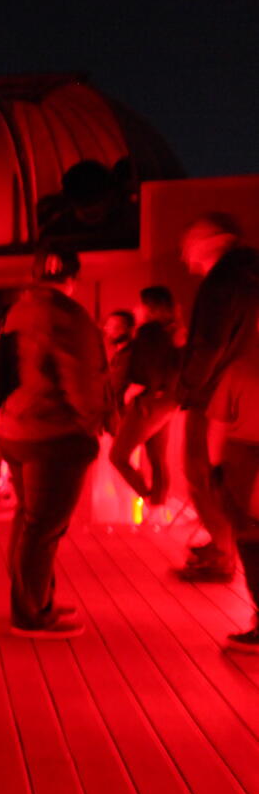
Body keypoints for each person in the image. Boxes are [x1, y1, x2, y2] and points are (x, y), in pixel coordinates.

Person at [0, 247, 109, 638]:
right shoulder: (71, 317)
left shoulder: (18, 309)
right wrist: (91, 427)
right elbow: (83, 380)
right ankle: (30, 614)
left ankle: (34, 599)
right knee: (43, 528)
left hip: (13, 428)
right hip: (54, 434)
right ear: (72, 278)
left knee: (29, 519)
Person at [177, 214, 259, 647]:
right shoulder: (250, 277)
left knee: (209, 476)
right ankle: (224, 550)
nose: (185, 251)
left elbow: (208, 343)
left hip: (223, 398)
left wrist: (189, 388)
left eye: (190, 240)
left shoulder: (222, 283)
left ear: (214, 242)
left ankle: (223, 553)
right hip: (249, 397)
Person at [108, 296, 181, 506]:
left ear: (150, 309)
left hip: (148, 402)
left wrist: (136, 389)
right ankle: (158, 504)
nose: (136, 309)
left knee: (118, 456)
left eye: (140, 305)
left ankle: (148, 497)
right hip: (167, 401)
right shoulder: (172, 333)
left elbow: (147, 365)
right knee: (157, 458)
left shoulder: (149, 333)